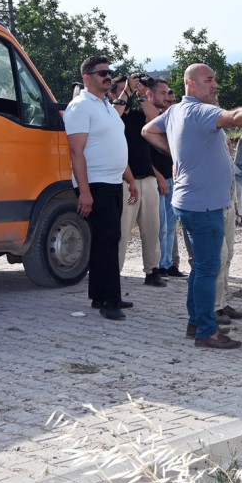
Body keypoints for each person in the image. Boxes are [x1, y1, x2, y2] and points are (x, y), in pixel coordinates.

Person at [143, 63, 242, 349]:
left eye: (215, 79)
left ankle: (196, 322)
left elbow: (148, 131)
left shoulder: (175, 111)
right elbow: (237, 117)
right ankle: (206, 332)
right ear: (191, 84)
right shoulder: (200, 111)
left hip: (190, 201)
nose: (215, 85)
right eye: (208, 80)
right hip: (204, 205)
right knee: (207, 268)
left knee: (200, 267)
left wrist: (178, 155)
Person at [65, 57, 138, 320]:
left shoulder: (105, 105)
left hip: (112, 182)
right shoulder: (80, 107)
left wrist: (129, 179)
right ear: (87, 78)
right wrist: (84, 191)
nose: (108, 77)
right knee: (107, 242)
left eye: (109, 73)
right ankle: (110, 301)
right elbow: (76, 152)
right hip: (95, 184)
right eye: (102, 73)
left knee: (105, 241)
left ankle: (100, 295)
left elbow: (116, 145)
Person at [117, 74, 167, 288]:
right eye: (121, 89)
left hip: (146, 179)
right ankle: (114, 273)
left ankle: (152, 270)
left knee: (152, 229)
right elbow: (113, 117)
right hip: (124, 182)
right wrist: (125, 92)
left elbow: (156, 120)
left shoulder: (139, 114)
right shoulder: (113, 114)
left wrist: (141, 95)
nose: (127, 92)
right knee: (121, 231)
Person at [146, 79, 186, 280]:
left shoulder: (169, 119)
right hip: (159, 180)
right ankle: (160, 266)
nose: (168, 100)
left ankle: (169, 264)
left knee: (170, 225)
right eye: (163, 95)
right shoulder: (149, 121)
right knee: (160, 226)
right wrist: (159, 177)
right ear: (151, 95)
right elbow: (146, 155)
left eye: (171, 98)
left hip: (172, 178)